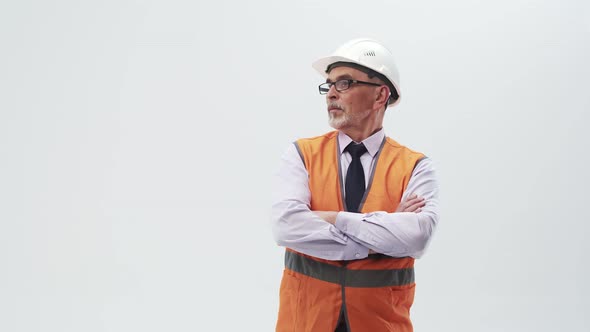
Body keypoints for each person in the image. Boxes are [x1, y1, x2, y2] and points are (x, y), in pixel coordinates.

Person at [271, 38, 440, 332]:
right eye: (329, 85)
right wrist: (382, 232)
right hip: (306, 321)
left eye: (345, 83)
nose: (331, 94)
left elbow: (416, 237)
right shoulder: (301, 155)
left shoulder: (415, 166)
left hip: (381, 324)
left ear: (380, 96)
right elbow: (286, 226)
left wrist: (333, 218)